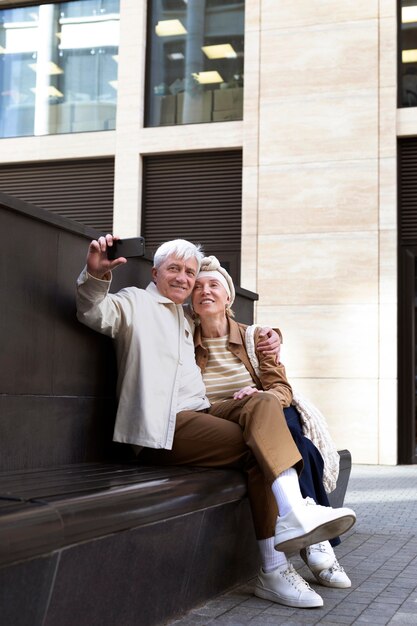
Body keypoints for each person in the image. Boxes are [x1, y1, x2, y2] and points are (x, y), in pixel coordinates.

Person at [76, 235, 356, 610]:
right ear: (156, 272)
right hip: (163, 428)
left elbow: (235, 326)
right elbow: (93, 311)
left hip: (203, 416)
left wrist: (272, 337)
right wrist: (96, 275)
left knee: (260, 404)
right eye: (174, 269)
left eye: (189, 272)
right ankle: (277, 559)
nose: (184, 278)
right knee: (260, 452)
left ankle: (289, 530)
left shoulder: (186, 316)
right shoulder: (136, 303)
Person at [191, 256, 352, 602]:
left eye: (213, 285)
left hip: (259, 415)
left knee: (282, 418)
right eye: (198, 286)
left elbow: (282, 389)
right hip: (215, 418)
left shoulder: (256, 337)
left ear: (229, 297)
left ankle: (304, 528)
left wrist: (260, 396)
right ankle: (314, 536)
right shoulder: (183, 339)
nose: (205, 291)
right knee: (278, 422)